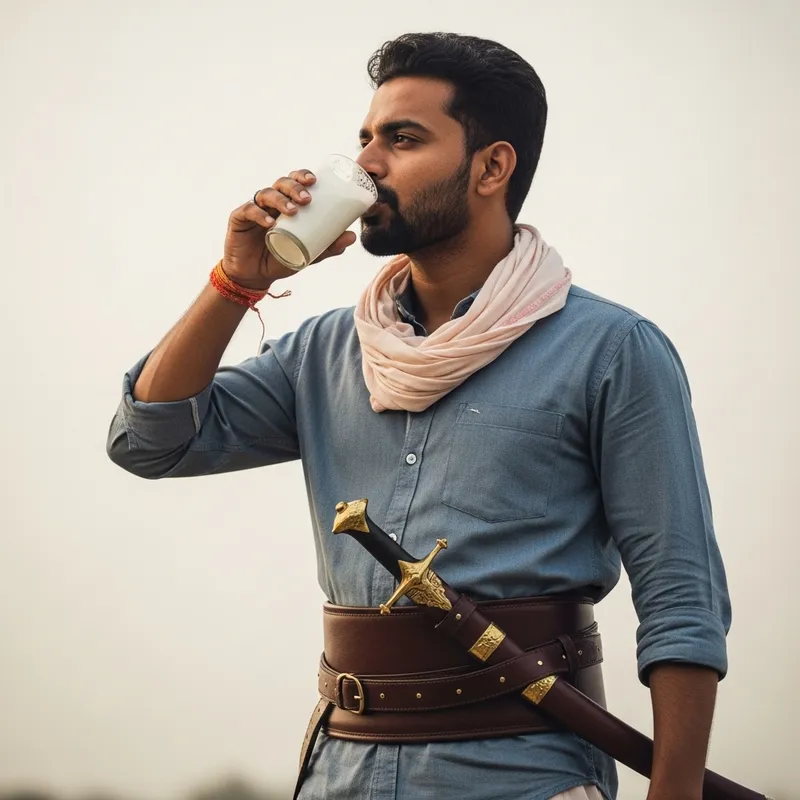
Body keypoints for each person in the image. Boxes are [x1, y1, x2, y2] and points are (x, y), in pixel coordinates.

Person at [107, 32, 731, 800]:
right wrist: (236, 284)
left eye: (402, 140)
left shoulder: (612, 350)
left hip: (526, 774)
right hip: (342, 769)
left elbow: (681, 596)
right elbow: (150, 441)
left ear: (492, 167)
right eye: (365, 139)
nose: (367, 164)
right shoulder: (327, 351)